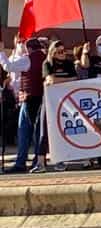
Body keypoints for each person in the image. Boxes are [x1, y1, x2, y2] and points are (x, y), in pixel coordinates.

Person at [0, 37, 45, 173]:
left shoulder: (28, 59)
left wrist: (1, 52)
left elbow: (8, 67)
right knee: (37, 132)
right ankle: (37, 159)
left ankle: (21, 162)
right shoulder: (44, 58)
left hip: (29, 98)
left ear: (28, 48)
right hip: (41, 97)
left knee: (24, 131)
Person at [34, 40, 78, 172]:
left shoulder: (69, 64)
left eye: (64, 51)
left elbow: (75, 79)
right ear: (53, 53)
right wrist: (65, 80)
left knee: (61, 130)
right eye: (59, 52)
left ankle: (60, 160)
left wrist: (60, 81)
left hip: (64, 102)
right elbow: (50, 80)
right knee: (44, 131)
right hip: (48, 101)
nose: (62, 54)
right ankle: (40, 162)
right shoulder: (47, 63)